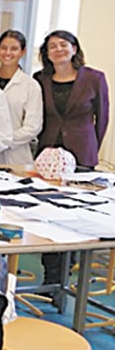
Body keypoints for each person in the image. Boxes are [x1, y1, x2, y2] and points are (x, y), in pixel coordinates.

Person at [35, 29, 110, 295]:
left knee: (73, 216)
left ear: (75, 48)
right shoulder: (40, 79)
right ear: (46, 53)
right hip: (47, 156)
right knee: (46, 215)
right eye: (52, 46)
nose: (58, 50)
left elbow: (102, 119)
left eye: (63, 45)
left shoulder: (94, 78)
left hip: (82, 156)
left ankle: (69, 273)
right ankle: (50, 276)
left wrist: (92, 150)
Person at [0, 30, 43, 164]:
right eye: (4, 48)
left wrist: (0, 141)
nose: (8, 53)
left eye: (14, 49)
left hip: (15, 156)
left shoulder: (31, 86)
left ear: (23, 52)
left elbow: (33, 127)